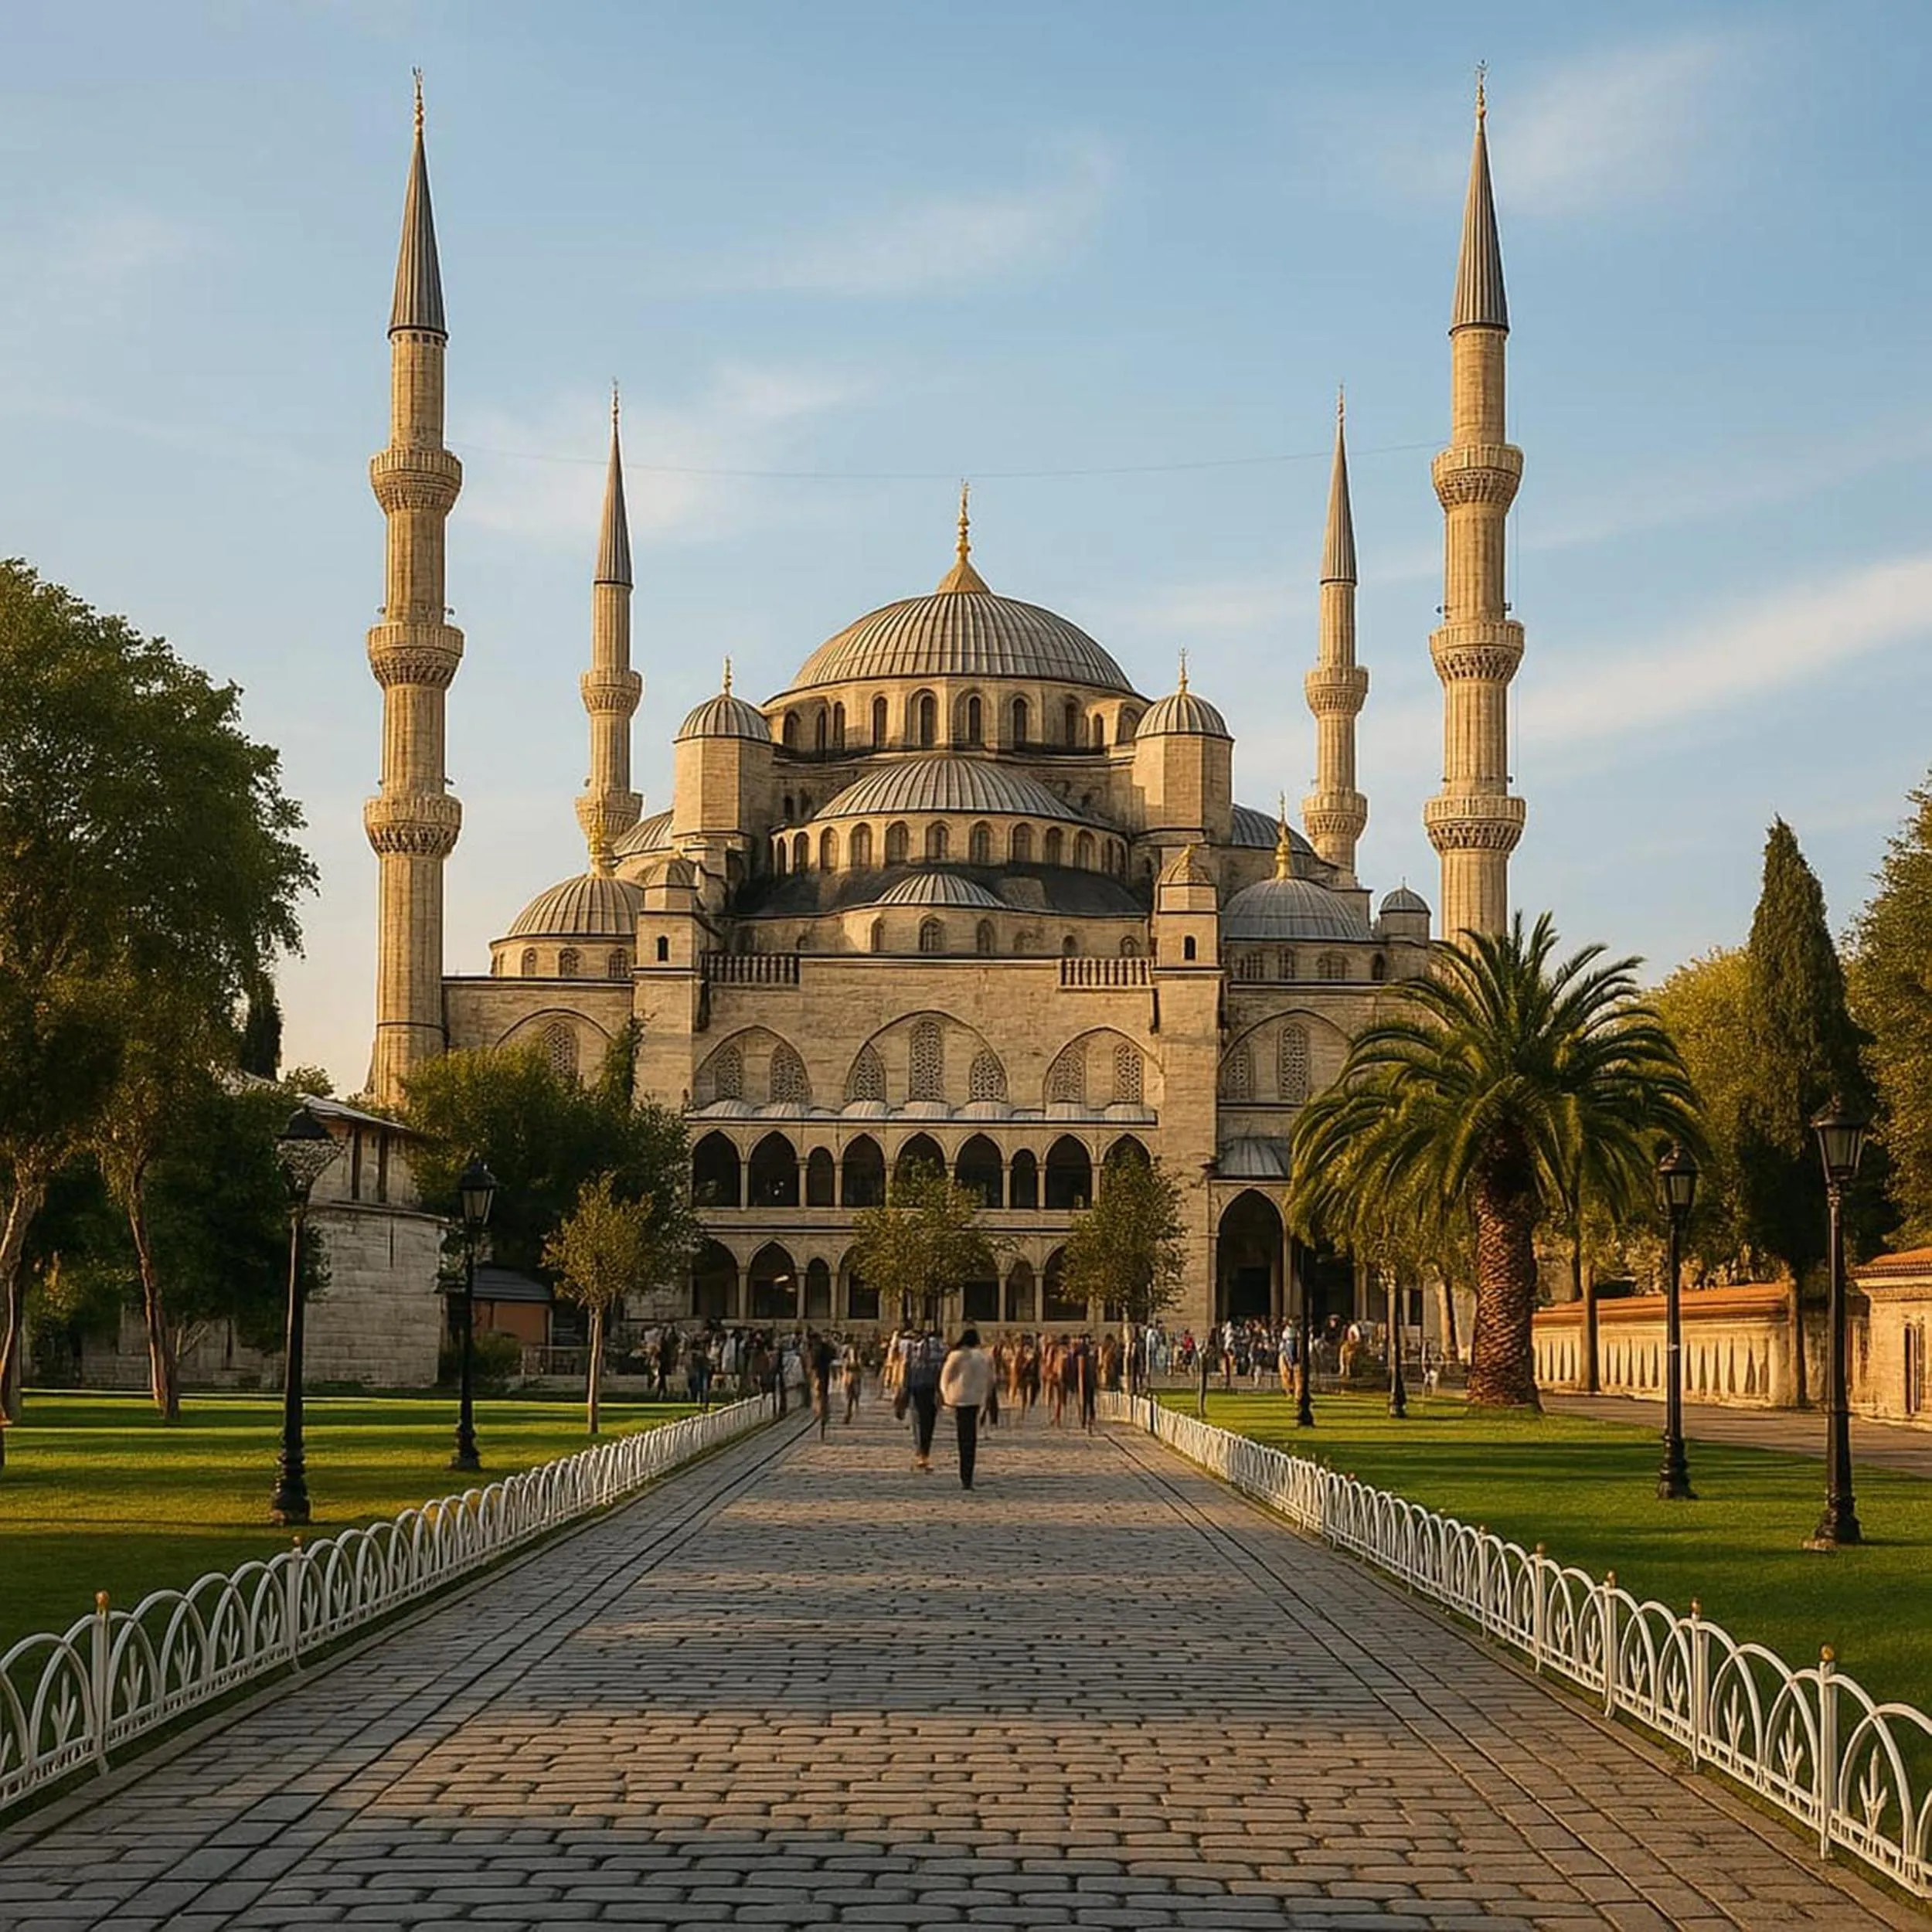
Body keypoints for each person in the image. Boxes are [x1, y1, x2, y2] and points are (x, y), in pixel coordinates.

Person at [940, 1326, 995, 1490]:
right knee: (971, 1438)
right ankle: (968, 1473)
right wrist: (986, 1397)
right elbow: (990, 1380)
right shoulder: (983, 1357)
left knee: (963, 1437)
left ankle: (965, 1474)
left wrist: (946, 1396)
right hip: (975, 1399)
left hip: (960, 1398)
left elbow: (945, 1377)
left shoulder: (956, 1356)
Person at [904, 1328, 944, 1470]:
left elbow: (907, 1369)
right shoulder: (937, 1354)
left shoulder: (917, 1353)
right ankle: (923, 1451)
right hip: (923, 1389)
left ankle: (922, 1451)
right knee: (923, 1422)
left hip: (923, 1388)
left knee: (921, 1422)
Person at [811, 1331, 837, 1440]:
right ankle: (823, 1417)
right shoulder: (826, 1348)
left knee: (818, 1396)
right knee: (823, 1396)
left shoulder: (816, 1349)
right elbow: (833, 1356)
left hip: (818, 1375)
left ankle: (821, 1416)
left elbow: (813, 1364)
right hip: (825, 1375)